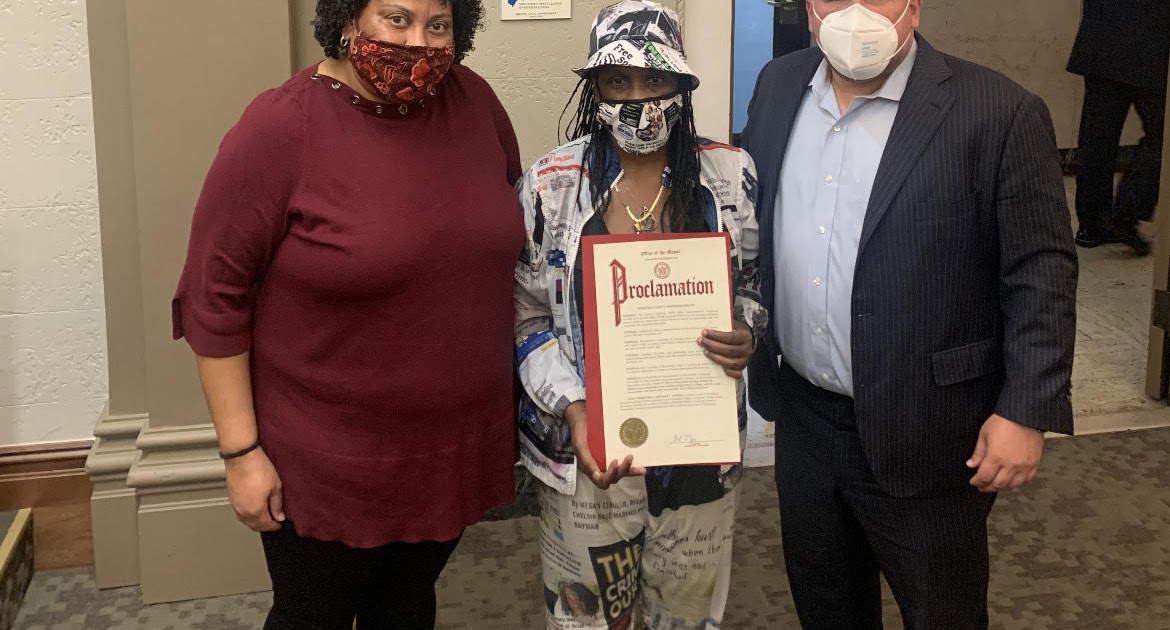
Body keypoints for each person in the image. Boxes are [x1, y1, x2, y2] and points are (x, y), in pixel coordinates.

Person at [172, 1, 522, 628]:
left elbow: (505, 230)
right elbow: (213, 295)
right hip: (326, 461)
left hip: (450, 447)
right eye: (396, 18)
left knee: (408, 606)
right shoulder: (282, 126)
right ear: (346, 19)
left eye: (438, 25)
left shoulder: (475, 104)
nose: (418, 42)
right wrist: (240, 452)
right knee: (316, 614)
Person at [742, 1, 1078, 628]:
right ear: (810, 10)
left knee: (942, 612)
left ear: (914, 8)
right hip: (805, 419)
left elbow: (1041, 272)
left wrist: (1026, 408)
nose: (856, 12)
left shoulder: (998, 112)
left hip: (931, 428)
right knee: (826, 607)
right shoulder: (778, 84)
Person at [513, 2, 768, 628]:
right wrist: (574, 408)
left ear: (681, 86)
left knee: (687, 618)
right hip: (590, 457)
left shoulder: (730, 175)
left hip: (700, 455)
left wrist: (748, 333)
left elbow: (754, 290)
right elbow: (525, 319)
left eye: (655, 81)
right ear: (593, 88)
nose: (637, 97)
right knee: (586, 619)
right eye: (617, 81)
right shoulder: (550, 184)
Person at [1068, 0, 1170, 256]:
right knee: (1163, 138)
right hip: (1152, 43)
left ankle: (1092, 225)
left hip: (1104, 39)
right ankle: (1128, 211)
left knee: (1097, 137)